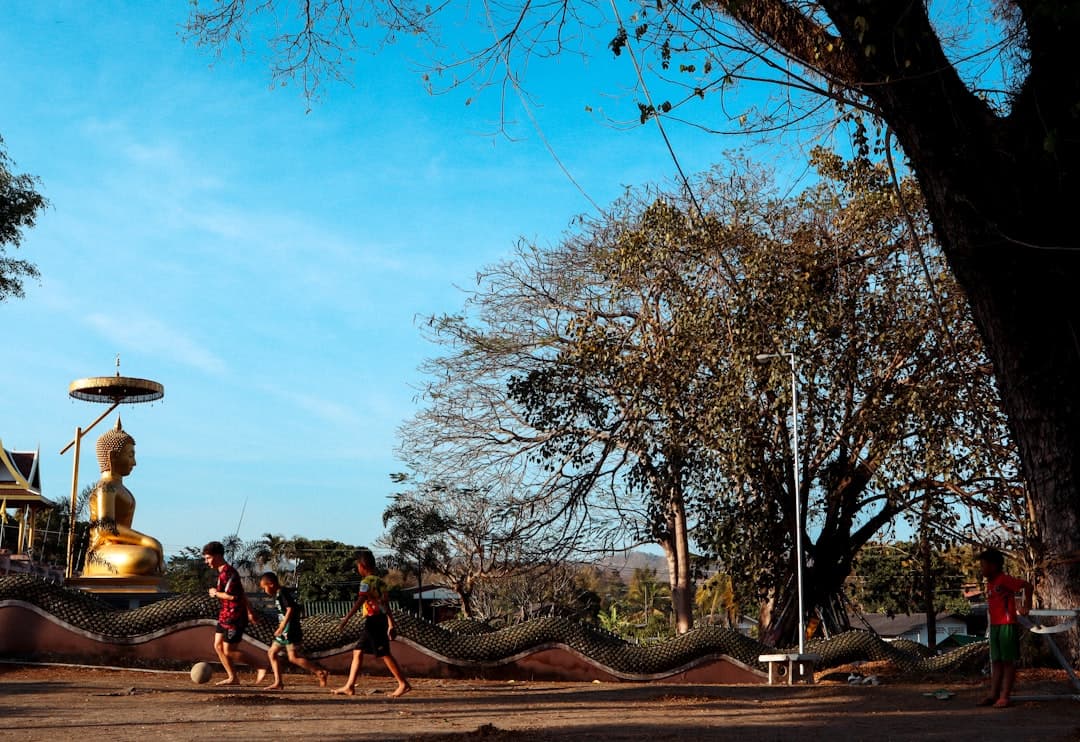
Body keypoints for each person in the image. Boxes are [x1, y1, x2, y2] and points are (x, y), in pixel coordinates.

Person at [82, 420, 164, 576]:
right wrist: (145, 540)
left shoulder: (121, 489)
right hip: (101, 553)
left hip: (119, 550)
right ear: (112, 456)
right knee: (146, 557)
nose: (134, 462)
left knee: (151, 556)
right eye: (130, 455)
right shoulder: (106, 487)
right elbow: (105, 528)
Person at [332, 548, 411, 698]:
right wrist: (391, 623)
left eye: (358, 567)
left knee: (384, 653)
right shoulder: (381, 582)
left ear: (362, 566)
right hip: (379, 619)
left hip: (373, 621)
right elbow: (386, 605)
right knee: (358, 651)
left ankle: (403, 683)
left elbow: (360, 600)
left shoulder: (365, 582)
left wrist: (346, 618)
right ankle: (349, 686)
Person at [203, 540, 265, 686]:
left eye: (208, 558)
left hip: (234, 616)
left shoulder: (228, 573)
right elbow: (242, 594)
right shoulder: (221, 572)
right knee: (218, 646)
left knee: (229, 650)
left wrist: (215, 593)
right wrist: (250, 611)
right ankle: (233, 677)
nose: (206, 561)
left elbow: (233, 596)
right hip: (224, 615)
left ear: (217, 556)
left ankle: (260, 665)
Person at [977, 548, 1033, 708]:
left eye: (984, 565)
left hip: (1007, 625)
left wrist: (1026, 605)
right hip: (995, 626)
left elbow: (1027, 586)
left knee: (1008, 662)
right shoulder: (990, 583)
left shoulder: (1004, 579)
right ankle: (993, 694)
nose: (982, 569)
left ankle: (1005, 696)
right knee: (996, 661)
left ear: (993, 566)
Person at [259, 571, 329, 690]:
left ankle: (319, 671)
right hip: (284, 630)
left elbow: (290, 609)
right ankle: (278, 682)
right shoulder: (278, 594)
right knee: (272, 653)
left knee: (293, 657)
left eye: (264, 587)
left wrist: (282, 627)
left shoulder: (282, 593)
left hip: (289, 629)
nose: (264, 591)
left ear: (270, 584)